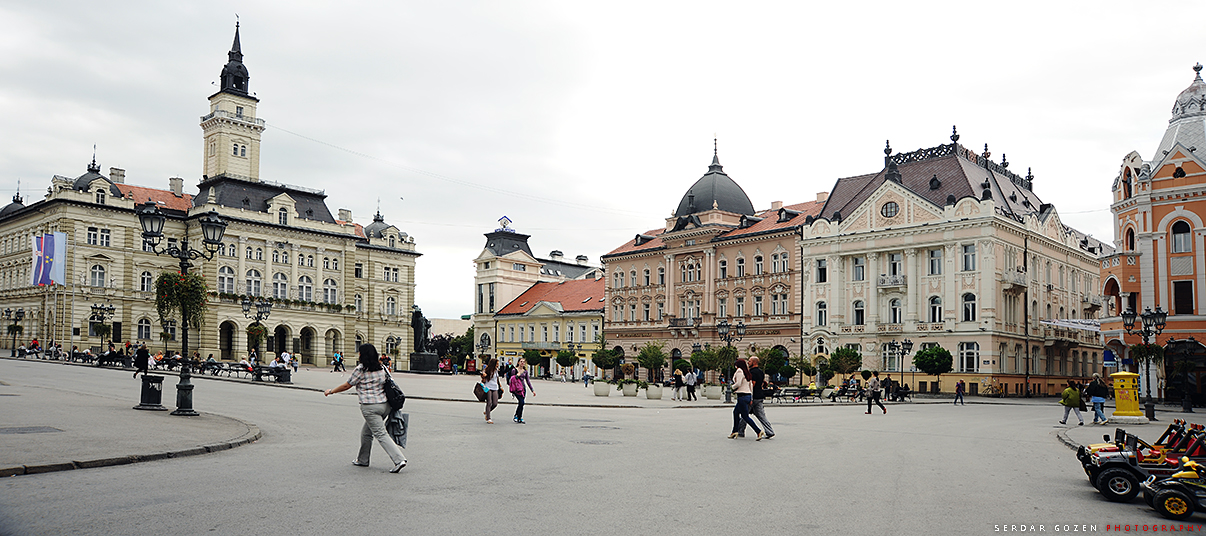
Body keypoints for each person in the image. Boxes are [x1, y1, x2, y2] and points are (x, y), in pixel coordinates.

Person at [323, 344, 406, 473]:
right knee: (366, 433)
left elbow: (347, 385)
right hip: (385, 405)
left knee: (380, 433)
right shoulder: (382, 367)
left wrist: (331, 391)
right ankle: (362, 459)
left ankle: (399, 459)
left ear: (362, 355)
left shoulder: (361, 370)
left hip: (370, 407)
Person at [738, 357, 775, 439]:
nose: (748, 362)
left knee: (744, 414)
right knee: (761, 415)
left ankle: (740, 431)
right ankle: (769, 431)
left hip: (752, 396)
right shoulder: (761, 372)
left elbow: (752, 384)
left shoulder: (752, 372)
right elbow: (762, 383)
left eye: (750, 361)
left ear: (754, 362)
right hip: (759, 396)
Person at [728, 358, 763, 440]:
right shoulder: (747, 372)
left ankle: (758, 431)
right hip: (747, 395)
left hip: (742, 396)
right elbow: (750, 386)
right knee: (736, 412)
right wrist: (750, 397)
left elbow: (738, 383)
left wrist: (732, 387)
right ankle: (734, 431)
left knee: (745, 416)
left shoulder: (740, 371)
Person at [509, 357, 535, 424]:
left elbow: (528, 381)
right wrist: (517, 376)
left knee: (522, 403)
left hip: (523, 389)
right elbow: (511, 380)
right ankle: (516, 416)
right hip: (516, 389)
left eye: (523, 362)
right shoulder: (514, 370)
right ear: (518, 362)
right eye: (521, 361)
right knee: (521, 402)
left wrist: (532, 390)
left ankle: (519, 417)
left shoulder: (525, 371)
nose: (522, 363)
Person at [481, 357, 502, 424]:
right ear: (493, 364)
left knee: (495, 403)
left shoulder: (496, 370)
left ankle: (487, 412)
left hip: (495, 387)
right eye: (497, 363)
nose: (498, 365)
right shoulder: (487, 369)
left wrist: (500, 386)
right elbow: (482, 374)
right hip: (488, 387)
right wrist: (483, 375)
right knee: (489, 402)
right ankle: (488, 418)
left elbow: (497, 379)